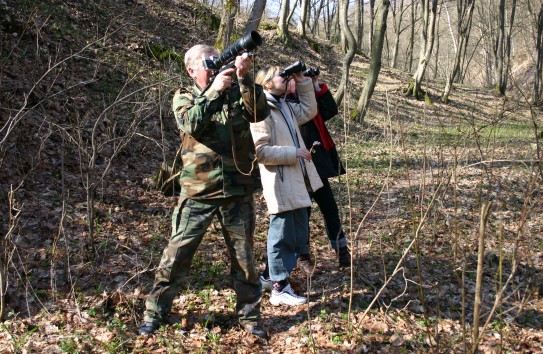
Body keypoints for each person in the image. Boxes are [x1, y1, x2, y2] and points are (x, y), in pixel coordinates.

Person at [138, 44, 270, 338]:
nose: (212, 67)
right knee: (175, 258)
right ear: (191, 70)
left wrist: (245, 78)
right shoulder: (184, 96)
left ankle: (250, 318)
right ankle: (154, 314)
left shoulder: (236, 90)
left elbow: (259, 113)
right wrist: (213, 91)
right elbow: (190, 123)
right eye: (206, 63)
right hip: (198, 191)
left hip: (237, 191)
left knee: (245, 261)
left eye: (215, 61)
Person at [250, 65, 322, 306]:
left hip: (295, 178)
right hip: (279, 179)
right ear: (266, 83)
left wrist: (301, 80)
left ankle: (270, 276)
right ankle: (280, 288)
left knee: (296, 232)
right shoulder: (260, 110)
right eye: (281, 74)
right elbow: (260, 151)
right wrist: (293, 153)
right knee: (281, 234)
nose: (285, 77)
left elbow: (310, 109)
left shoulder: (285, 107)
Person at [287, 74, 352, 267]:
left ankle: (341, 250)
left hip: (318, 168)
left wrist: (314, 85)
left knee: (330, 209)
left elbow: (330, 109)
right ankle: (303, 256)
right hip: (298, 166)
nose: (295, 83)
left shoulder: (307, 103)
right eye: (292, 80)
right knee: (303, 214)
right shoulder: (286, 107)